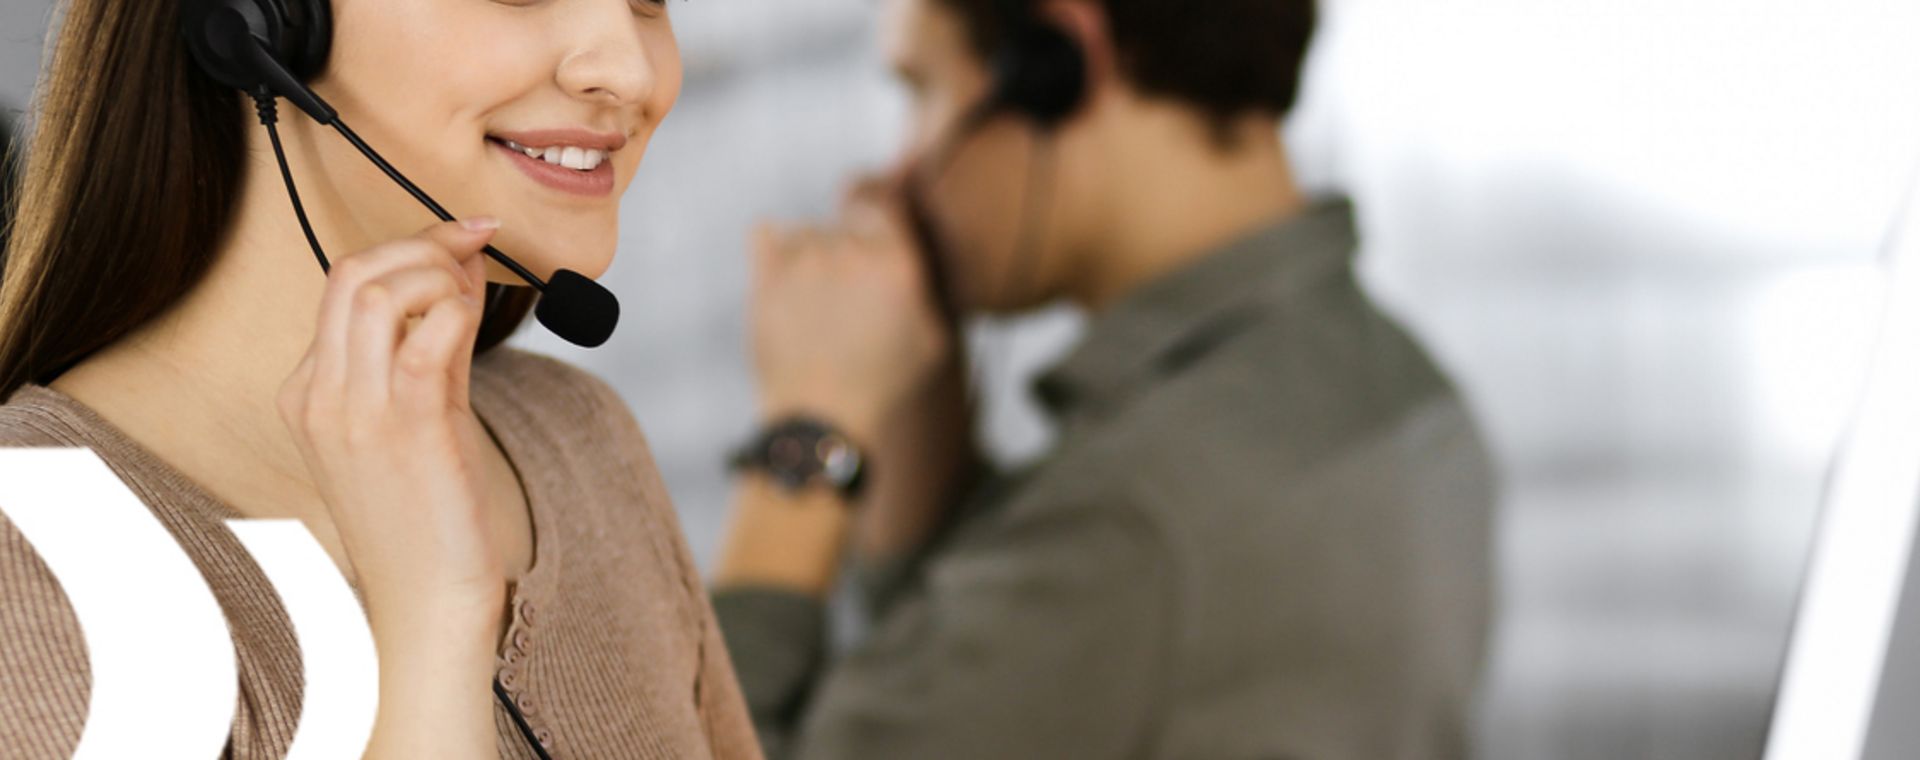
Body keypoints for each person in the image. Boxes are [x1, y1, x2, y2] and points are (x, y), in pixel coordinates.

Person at [709, 0, 1497, 758]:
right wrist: (912, 396)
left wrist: (806, 427)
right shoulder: (1398, 388)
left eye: (921, 89)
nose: (901, 169)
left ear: (1059, 62)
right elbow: (967, 691)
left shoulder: (1133, 521)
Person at [0, 1, 759, 758]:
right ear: (266, 20)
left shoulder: (579, 439)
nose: (629, 72)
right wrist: (431, 622)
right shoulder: (35, 557)